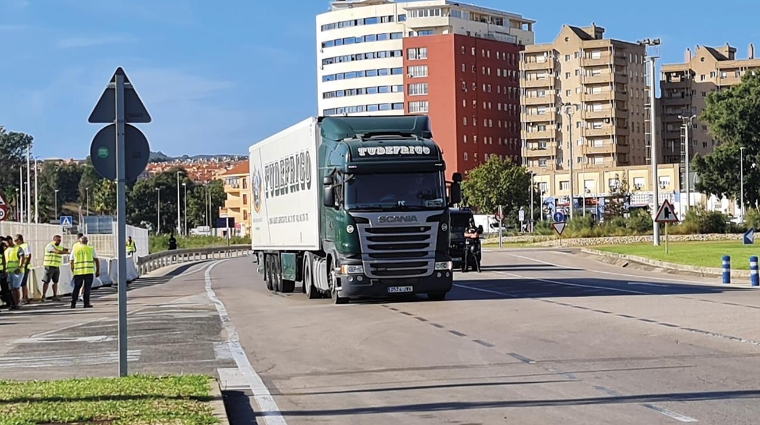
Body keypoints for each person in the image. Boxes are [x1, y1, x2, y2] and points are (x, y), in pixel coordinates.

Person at [70, 235, 99, 309]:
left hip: (78, 272)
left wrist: (72, 269)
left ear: (80, 241)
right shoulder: (90, 248)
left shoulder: (75, 249)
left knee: (76, 288)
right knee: (87, 288)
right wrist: (97, 270)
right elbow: (96, 260)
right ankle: (86, 303)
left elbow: (71, 261)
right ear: (87, 242)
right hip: (88, 271)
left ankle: (73, 303)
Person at [41, 235, 69, 302]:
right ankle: (43, 295)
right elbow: (57, 252)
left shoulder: (59, 247)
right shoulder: (50, 246)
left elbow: (64, 249)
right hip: (49, 266)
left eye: (60, 240)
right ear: (54, 240)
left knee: (55, 282)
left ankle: (55, 295)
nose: (59, 241)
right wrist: (66, 252)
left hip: (56, 266)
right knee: (46, 281)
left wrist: (69, 250)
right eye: (58, 240)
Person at [4, 236, 23, 308]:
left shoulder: (17, 248)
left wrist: (19, 267)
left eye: (7, 241)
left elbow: (22, 257)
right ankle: (14, 303)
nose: (6, 243)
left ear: (10, 240)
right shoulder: (6, 250)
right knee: (11, 288)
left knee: (16, 287)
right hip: (9, 271)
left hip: (17, 271)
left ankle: (17, 303)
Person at [15, 234, 31, 304]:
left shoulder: (25, 246)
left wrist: (26, 264)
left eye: (16, 240)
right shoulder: (18, 246)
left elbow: (29, 255)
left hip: (25, 267)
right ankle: (26, 297)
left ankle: (24, 298)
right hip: (21, 267)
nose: (15, 241)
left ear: (20, 239)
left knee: (23, 283)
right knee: (22, 283)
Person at [0, 237, 15, 310]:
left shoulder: (4, 249)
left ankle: (11, 303)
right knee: (6, 289)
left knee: (6, 289)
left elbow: (4, 260)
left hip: (2, 271)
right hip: (3, 271)